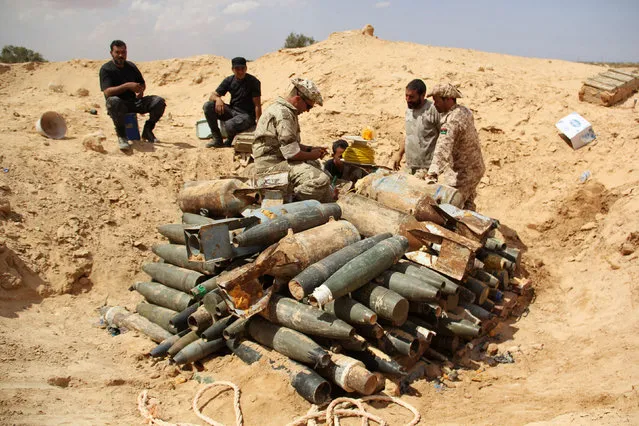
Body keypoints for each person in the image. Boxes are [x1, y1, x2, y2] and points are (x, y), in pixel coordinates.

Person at [252, 78, 333, 202]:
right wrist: (313, 155)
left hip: (278, 160)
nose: (307, 110)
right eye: (308, 106)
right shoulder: (284, 114)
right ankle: (291, 202)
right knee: (319, 180)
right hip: (270, 166)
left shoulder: (285, 111)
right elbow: (291, 153)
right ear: (298, 99)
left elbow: (289, 144)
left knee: (316, 166)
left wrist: (310, 149)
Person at [426, 83, 485, 210]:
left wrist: (432, 172)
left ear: (448, 99)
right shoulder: (464, 111)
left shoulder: (452, 121)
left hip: (464, 173)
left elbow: (443, 146)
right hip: (475, 168)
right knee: (468, 203)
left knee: (452, 206)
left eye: (436, 101)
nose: (434, 104)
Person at [99, 40, 166, 151]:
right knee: (113, 101)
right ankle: (122, 136)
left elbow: (142, 83)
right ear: (111, 53)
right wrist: (127, 86)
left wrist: (140, 90)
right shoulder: (106, 69)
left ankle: (148, 131)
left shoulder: (131, 66)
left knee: (158, 101)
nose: (121, 55)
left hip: (133, 102)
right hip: (119, 105)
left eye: (123, 52)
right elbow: (107, 92)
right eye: (117, 52)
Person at [203, 57, 261, 148]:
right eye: (237, 69)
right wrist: (218, 99)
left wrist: (259, 122)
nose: (240, 71)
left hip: (247, 115)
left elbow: (257, 104)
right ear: (233, 69)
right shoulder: (229, 80)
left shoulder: (253, 82)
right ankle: (217, 139)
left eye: (243, 68)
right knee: (208, 106)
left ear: (246, 68)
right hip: (233, 110)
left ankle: (230, 140)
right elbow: (212, 96)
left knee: (229, 125)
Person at [391, 79, 440, 177]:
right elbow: (408, 134)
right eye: (406, 95)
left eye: (412, 97)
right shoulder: (409, 109)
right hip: (409, 166)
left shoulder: (433, 110)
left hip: (426, 169)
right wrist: (399, 154)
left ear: (422, 95)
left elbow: (444, 137)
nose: (408, 99)